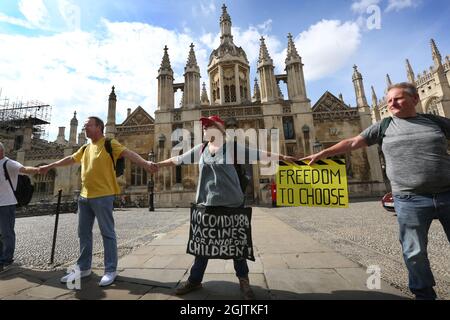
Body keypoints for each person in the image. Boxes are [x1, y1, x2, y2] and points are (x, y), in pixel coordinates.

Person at [302, 82, 450, 300]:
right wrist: (323, 153)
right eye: (389, 100)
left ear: (415, 99)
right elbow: (352, 142)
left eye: (398, 99)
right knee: (414, 252)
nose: (392, 104)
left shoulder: (434, 121)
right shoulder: (384, 126)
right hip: (409, 199)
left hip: (447, 194)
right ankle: (424, 295)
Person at [154, 115, 296, 300]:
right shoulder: (202, 148)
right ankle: (194, 280)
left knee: (237, 247)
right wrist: (156, 165)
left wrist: (285, 157)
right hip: (207, 204)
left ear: (218, 129)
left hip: (232, 205)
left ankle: (244, 282)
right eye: (203, 127)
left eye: (207, 126)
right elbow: (179, 159)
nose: (204, 129)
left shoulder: (232, 148)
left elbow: (260, 154)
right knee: (202, 247)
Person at [39, 117, 157, 287]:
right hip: (84, 197)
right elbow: (70, 159)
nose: (85, 128)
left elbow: (128, 153)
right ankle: (83, 267)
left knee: (107, 233)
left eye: (88, 125)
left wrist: (145, 163)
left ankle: (110, 270)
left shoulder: (110, 143)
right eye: (84, 126)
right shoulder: (85, 148)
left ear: (99, 127)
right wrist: (50, 166)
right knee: (83, 233)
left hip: (103, 195)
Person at [0, 142, 39, 273]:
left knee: (7, 233)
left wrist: (38, 169)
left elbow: (24, 169)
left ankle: (7, 260)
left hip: (6, 204)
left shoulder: (8, 163)